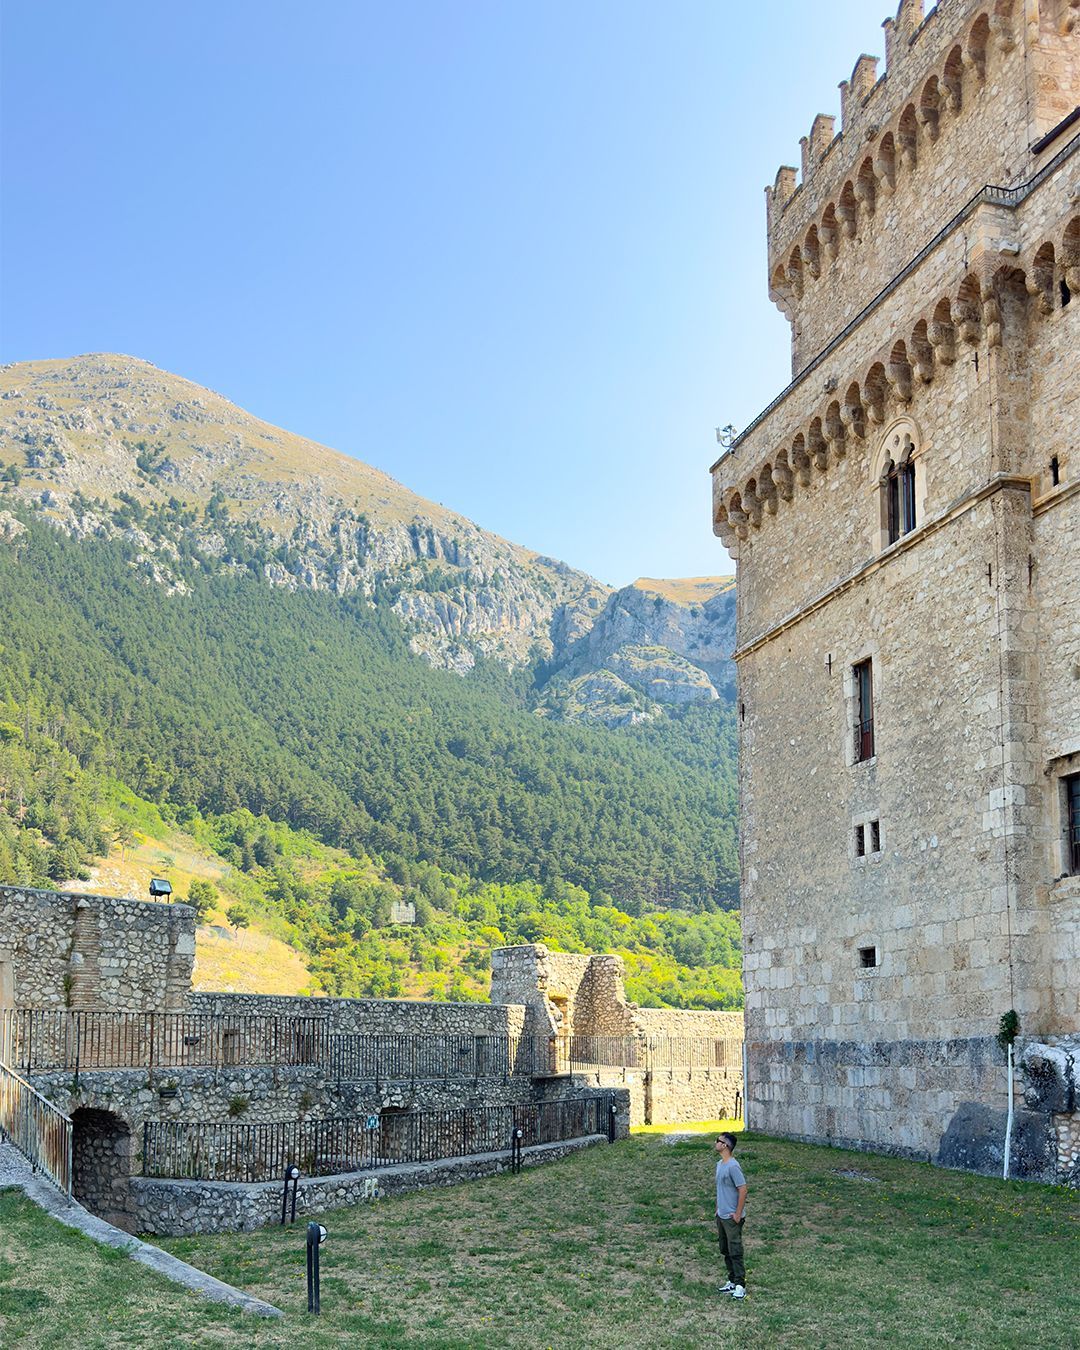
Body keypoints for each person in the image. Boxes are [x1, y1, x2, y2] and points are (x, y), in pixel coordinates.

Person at [714, 1131, 747, 1299]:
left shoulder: (733, 1166)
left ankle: (740, 1285)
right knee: (725, 1249)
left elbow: (743, 1189)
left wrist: (738, 1213)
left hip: (732, 1217)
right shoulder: (719, 1164)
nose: (716, 1143)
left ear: (725, 1145)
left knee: (735, 1251)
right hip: (721, 1215)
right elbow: (720, 1188)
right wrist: (717, 1208)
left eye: (718, 1140)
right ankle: (732, 1281)